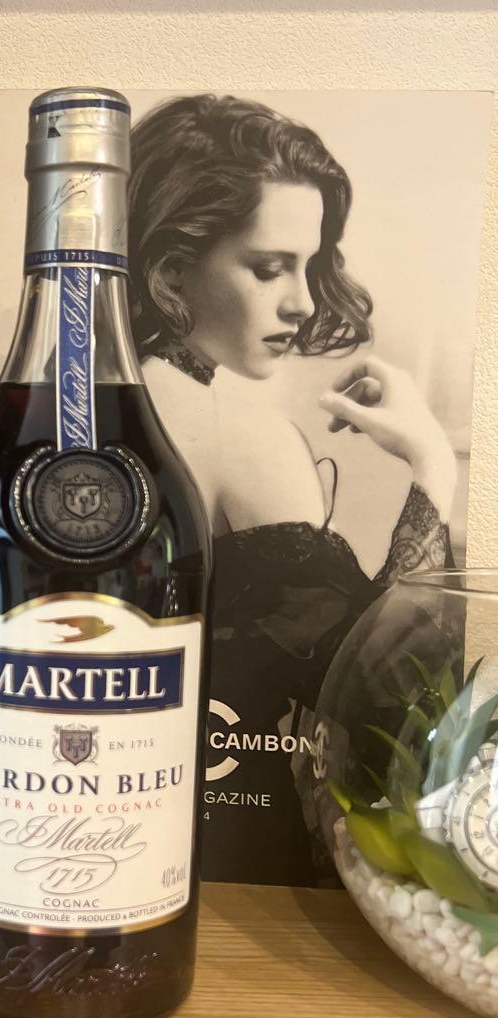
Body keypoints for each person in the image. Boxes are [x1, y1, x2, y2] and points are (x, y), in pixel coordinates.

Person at [126, 95, 455, 886]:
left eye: (310, 265)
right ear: (171, 269)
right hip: (252, 864)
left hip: (143, 829)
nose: (303, 302)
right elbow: (383, 698)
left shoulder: (118, 402)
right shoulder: (233, 426)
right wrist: (433, 466)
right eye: (270, 268)